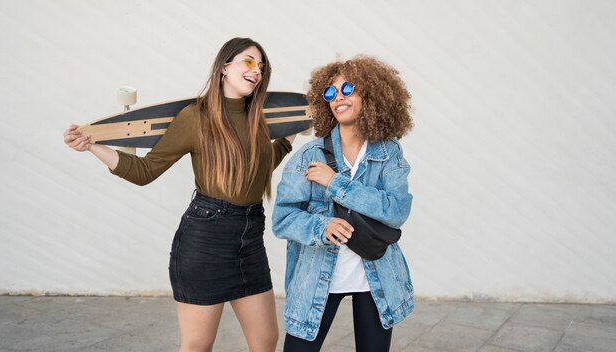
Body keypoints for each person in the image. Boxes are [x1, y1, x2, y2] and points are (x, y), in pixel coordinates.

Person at [63, 37, 294, 352]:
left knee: (266, 340)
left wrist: (288, 138)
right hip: (205, 241)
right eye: (249, 61)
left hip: (249, 240)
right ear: (225, 67)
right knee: (198, 344)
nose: (257, 70)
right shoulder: (195, 117)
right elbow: (146, 172)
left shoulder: (258, 119)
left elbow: (256, 167)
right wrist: (91, 145)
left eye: (262, 66)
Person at [272, 56, 414, 352]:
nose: (338, 97)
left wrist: (335, 183)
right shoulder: (308, 155)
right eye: (330, 93)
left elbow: (397, 210)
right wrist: (321, 227)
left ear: (371, 96)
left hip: (375, 276)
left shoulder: (389, 152)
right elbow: (282, 218)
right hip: (316, 275)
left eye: (347, 89)